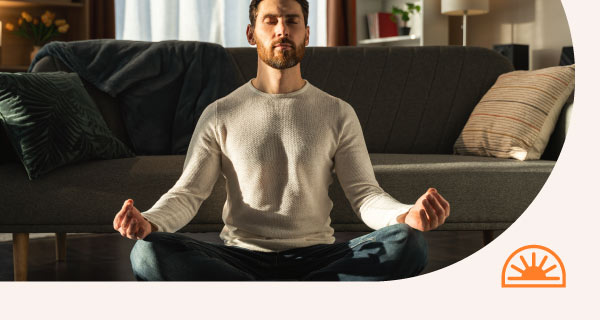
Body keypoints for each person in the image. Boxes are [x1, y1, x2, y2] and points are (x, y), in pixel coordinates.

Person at [114, 0, 450, 281]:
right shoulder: (220, 113)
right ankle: (305, 301)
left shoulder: (337, 112)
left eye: (292, 20)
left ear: (306, 32)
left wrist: (406, 215)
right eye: (270, 20)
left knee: (410, 243)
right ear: (251, 33)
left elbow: (365, 195)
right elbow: (187, 194)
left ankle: (258, 303)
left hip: (318, 258)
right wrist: (151, 220)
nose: (282, 30)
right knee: (147, 252)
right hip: (240, 260)